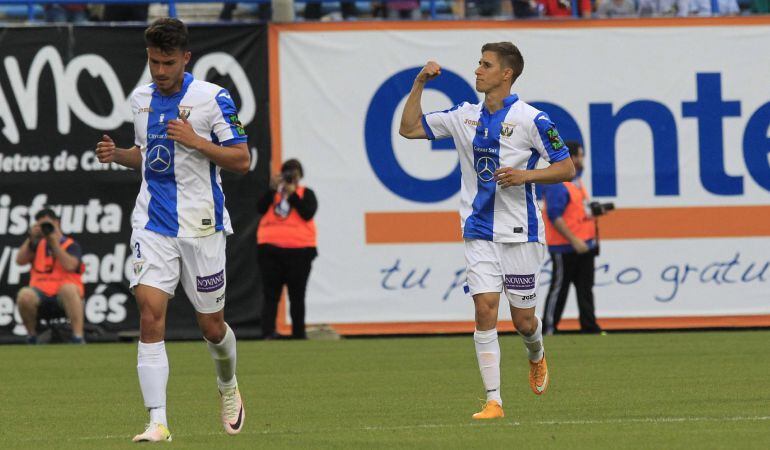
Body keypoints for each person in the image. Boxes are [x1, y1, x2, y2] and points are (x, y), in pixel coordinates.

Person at [398, 42, 576, 419]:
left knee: (524, 321)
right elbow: (409, 128)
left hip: (521, 233)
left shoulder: (533, 119)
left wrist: (526, 174)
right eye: (479, 63)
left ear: (506, 74)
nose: (477, 70)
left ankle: (537, 352)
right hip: (478, 229)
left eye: (485, 64)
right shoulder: (464, 116)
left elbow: (566, 168)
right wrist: (419, 84)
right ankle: (494, 400)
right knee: (484, 309)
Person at [94, 18, 250, 442]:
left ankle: (227, 385)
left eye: (167, 63)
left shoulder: (212, 99)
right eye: (152, 62)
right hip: (153, 224)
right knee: (149, 315)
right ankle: (157, 421)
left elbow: (242, 160)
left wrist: (197, 141)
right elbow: (150, 159)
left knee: (212, 327)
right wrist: (119, 155)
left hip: (202, 226)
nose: (159, 72)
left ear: (186, 58)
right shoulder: (140, 98)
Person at [541, 142, 602, 335]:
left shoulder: (576, 182)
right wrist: (574, 240)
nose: (581, 160)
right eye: (580, 156)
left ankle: (590, 327)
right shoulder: (560, 183)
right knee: (559, 289)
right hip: (565, 246)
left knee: (585, 290)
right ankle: (548, 327)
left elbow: (575, 211)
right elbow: (555, 215)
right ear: (572, 157)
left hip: (585, 244)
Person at [256, 159, 318, 340]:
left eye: (294, 174)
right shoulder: (273, 194)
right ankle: (268, 333)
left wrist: (292, 195)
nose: (291, 177)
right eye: (287, 173)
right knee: (271, 295)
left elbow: (308, 213)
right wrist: (272, 189)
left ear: (300, 176)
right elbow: (259, 208)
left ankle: (299, 334)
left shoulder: (305, 193)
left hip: (300, 251)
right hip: (270, 251)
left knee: (297, 295)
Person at [15, 208, 86, 344]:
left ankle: (78, 337)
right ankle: (32, 337)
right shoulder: (36, 244)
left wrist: (54, 243)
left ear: (56, 222)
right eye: (41, 225)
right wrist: (31, 237)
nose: (44, 228)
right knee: (24, 295)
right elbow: (19, 260)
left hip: (64, 294)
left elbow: (70, 265)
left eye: (47, 224)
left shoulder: (71, 245)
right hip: (40, 293)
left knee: (69, 289)